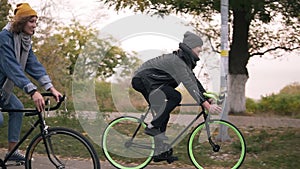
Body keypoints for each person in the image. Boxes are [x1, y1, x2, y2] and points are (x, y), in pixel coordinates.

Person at [131, 31, 222, 162]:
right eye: (198, 50)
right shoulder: (177, 61)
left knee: (163, 113)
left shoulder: (184, 63)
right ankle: (152, 127)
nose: (199, 53)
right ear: (190, 49)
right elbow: (188, 84)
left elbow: (194, 81)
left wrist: (205, 97)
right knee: (175, 96)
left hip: (154, 82)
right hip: (143, 80)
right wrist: (206, 105)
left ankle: (160, 152)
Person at [0, 3, 62, 162]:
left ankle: (12, 153)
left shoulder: (24, 41)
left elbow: (33, 64)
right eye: (31, 21)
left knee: (17, 108)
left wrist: (50, 87)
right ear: (21, 21)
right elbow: (11, 68)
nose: (35, 26)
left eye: (36, 22)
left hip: (2, 90)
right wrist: (33, 91)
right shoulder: (4, 38)